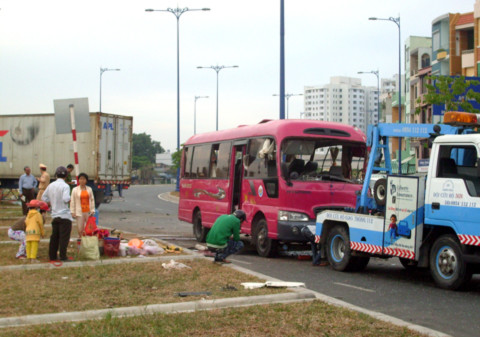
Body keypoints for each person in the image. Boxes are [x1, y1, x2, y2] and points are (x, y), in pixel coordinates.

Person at [42, 166, 73, 262]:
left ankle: (52, 256)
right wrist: (70, 199)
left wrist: (52, 202)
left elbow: (44, 198)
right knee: (64, 238)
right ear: (66, 176)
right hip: (65, 216)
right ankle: (63, 256)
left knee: (54, 237)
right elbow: (65, 199)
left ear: (56, 175)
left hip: (55, 215)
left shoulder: (51, 185)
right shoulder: (65, 186)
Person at [70, 172, 95, 238]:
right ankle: (81, 241)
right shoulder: (75, 190)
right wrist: (72, 211)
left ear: (86, 180)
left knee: (89, 229)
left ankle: (88, 242)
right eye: (80, 179)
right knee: (80, 229)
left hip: (88, 211)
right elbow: (72, 201)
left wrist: (92, 210)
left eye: (84, 179)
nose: (82, 180)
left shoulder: (89, 189)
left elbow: (92, 200)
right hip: (79, 212)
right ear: (78, 180)